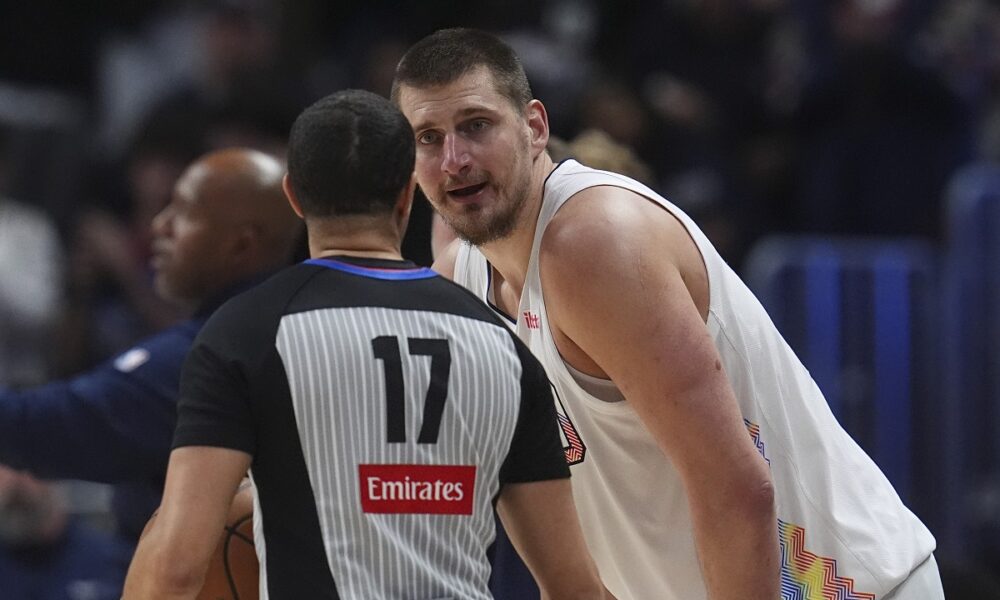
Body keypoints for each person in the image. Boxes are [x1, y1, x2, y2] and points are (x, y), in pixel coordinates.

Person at [392, 27, 943, 600]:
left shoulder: (591, 243)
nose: (454, 159)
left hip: (848, 587)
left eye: (476, 126)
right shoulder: (462, 280)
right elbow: (573, 535)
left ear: (534, 128)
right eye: (428, 138)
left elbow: (736, 489)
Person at [122, 89, 612, 600]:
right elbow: (572, 585)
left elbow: (178, 567)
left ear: (293, 197)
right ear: (407, 195)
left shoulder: (242, 333)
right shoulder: (503, 344)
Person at [0, 148, 303, 552]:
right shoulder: (295, 326)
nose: (159, 227)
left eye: (181, 212)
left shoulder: (216, 353)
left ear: (241, 243)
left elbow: (45, 428)